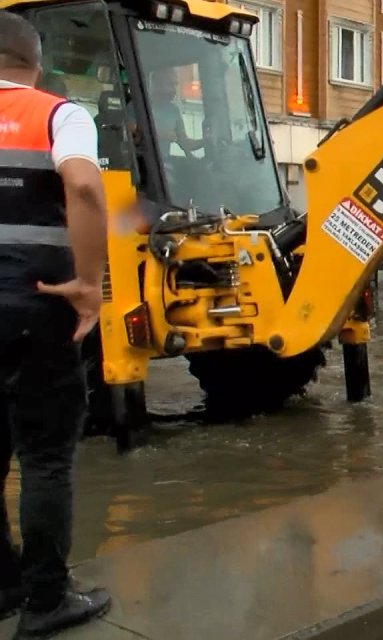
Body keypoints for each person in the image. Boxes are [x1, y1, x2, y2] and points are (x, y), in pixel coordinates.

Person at [0, 11, 113, 636]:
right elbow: (86, 189)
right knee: (45, 457)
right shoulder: (57, 113)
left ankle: (3, 584)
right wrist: (89, 285)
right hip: (37, 306)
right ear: (33, 61)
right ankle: (45, 601)